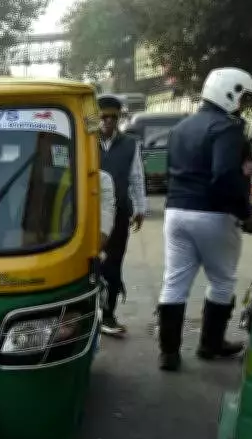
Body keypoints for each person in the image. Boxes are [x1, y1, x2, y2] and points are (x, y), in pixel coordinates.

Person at [156, 67, 252, 372]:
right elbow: (224, 176)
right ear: (230, 92)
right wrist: (246, 214)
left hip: (175, 212)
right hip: (212, 215)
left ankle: (168, 353)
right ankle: (210, 344)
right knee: (222, 280)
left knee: (175, 281)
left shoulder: (181, 127)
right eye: (242, 97)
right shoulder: (226, 128)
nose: (242, 105)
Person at [97, 94, 148, 337]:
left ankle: (108, 315)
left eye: (112, 118)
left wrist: (140, 208)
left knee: (114, 264)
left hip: (119, 214)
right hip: (87, 216)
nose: (107, 122)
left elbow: (136, 177)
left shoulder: (130, 144)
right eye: (103, 117)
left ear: (119, 119)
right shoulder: (84, 141)